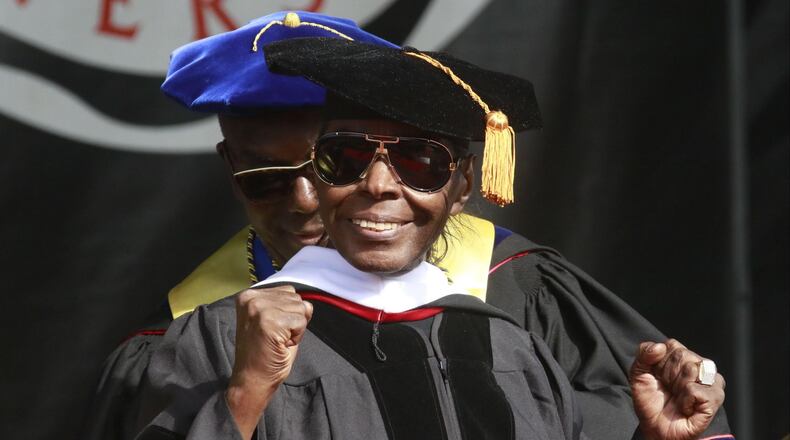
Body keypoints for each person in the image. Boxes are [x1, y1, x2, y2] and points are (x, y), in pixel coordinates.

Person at [83, 11, 732, 440]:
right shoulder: (200, 334)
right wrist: (246, 393)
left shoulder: (515, 330)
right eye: (345, 159)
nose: (305, 199)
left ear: (463, 187)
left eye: (418, 163)